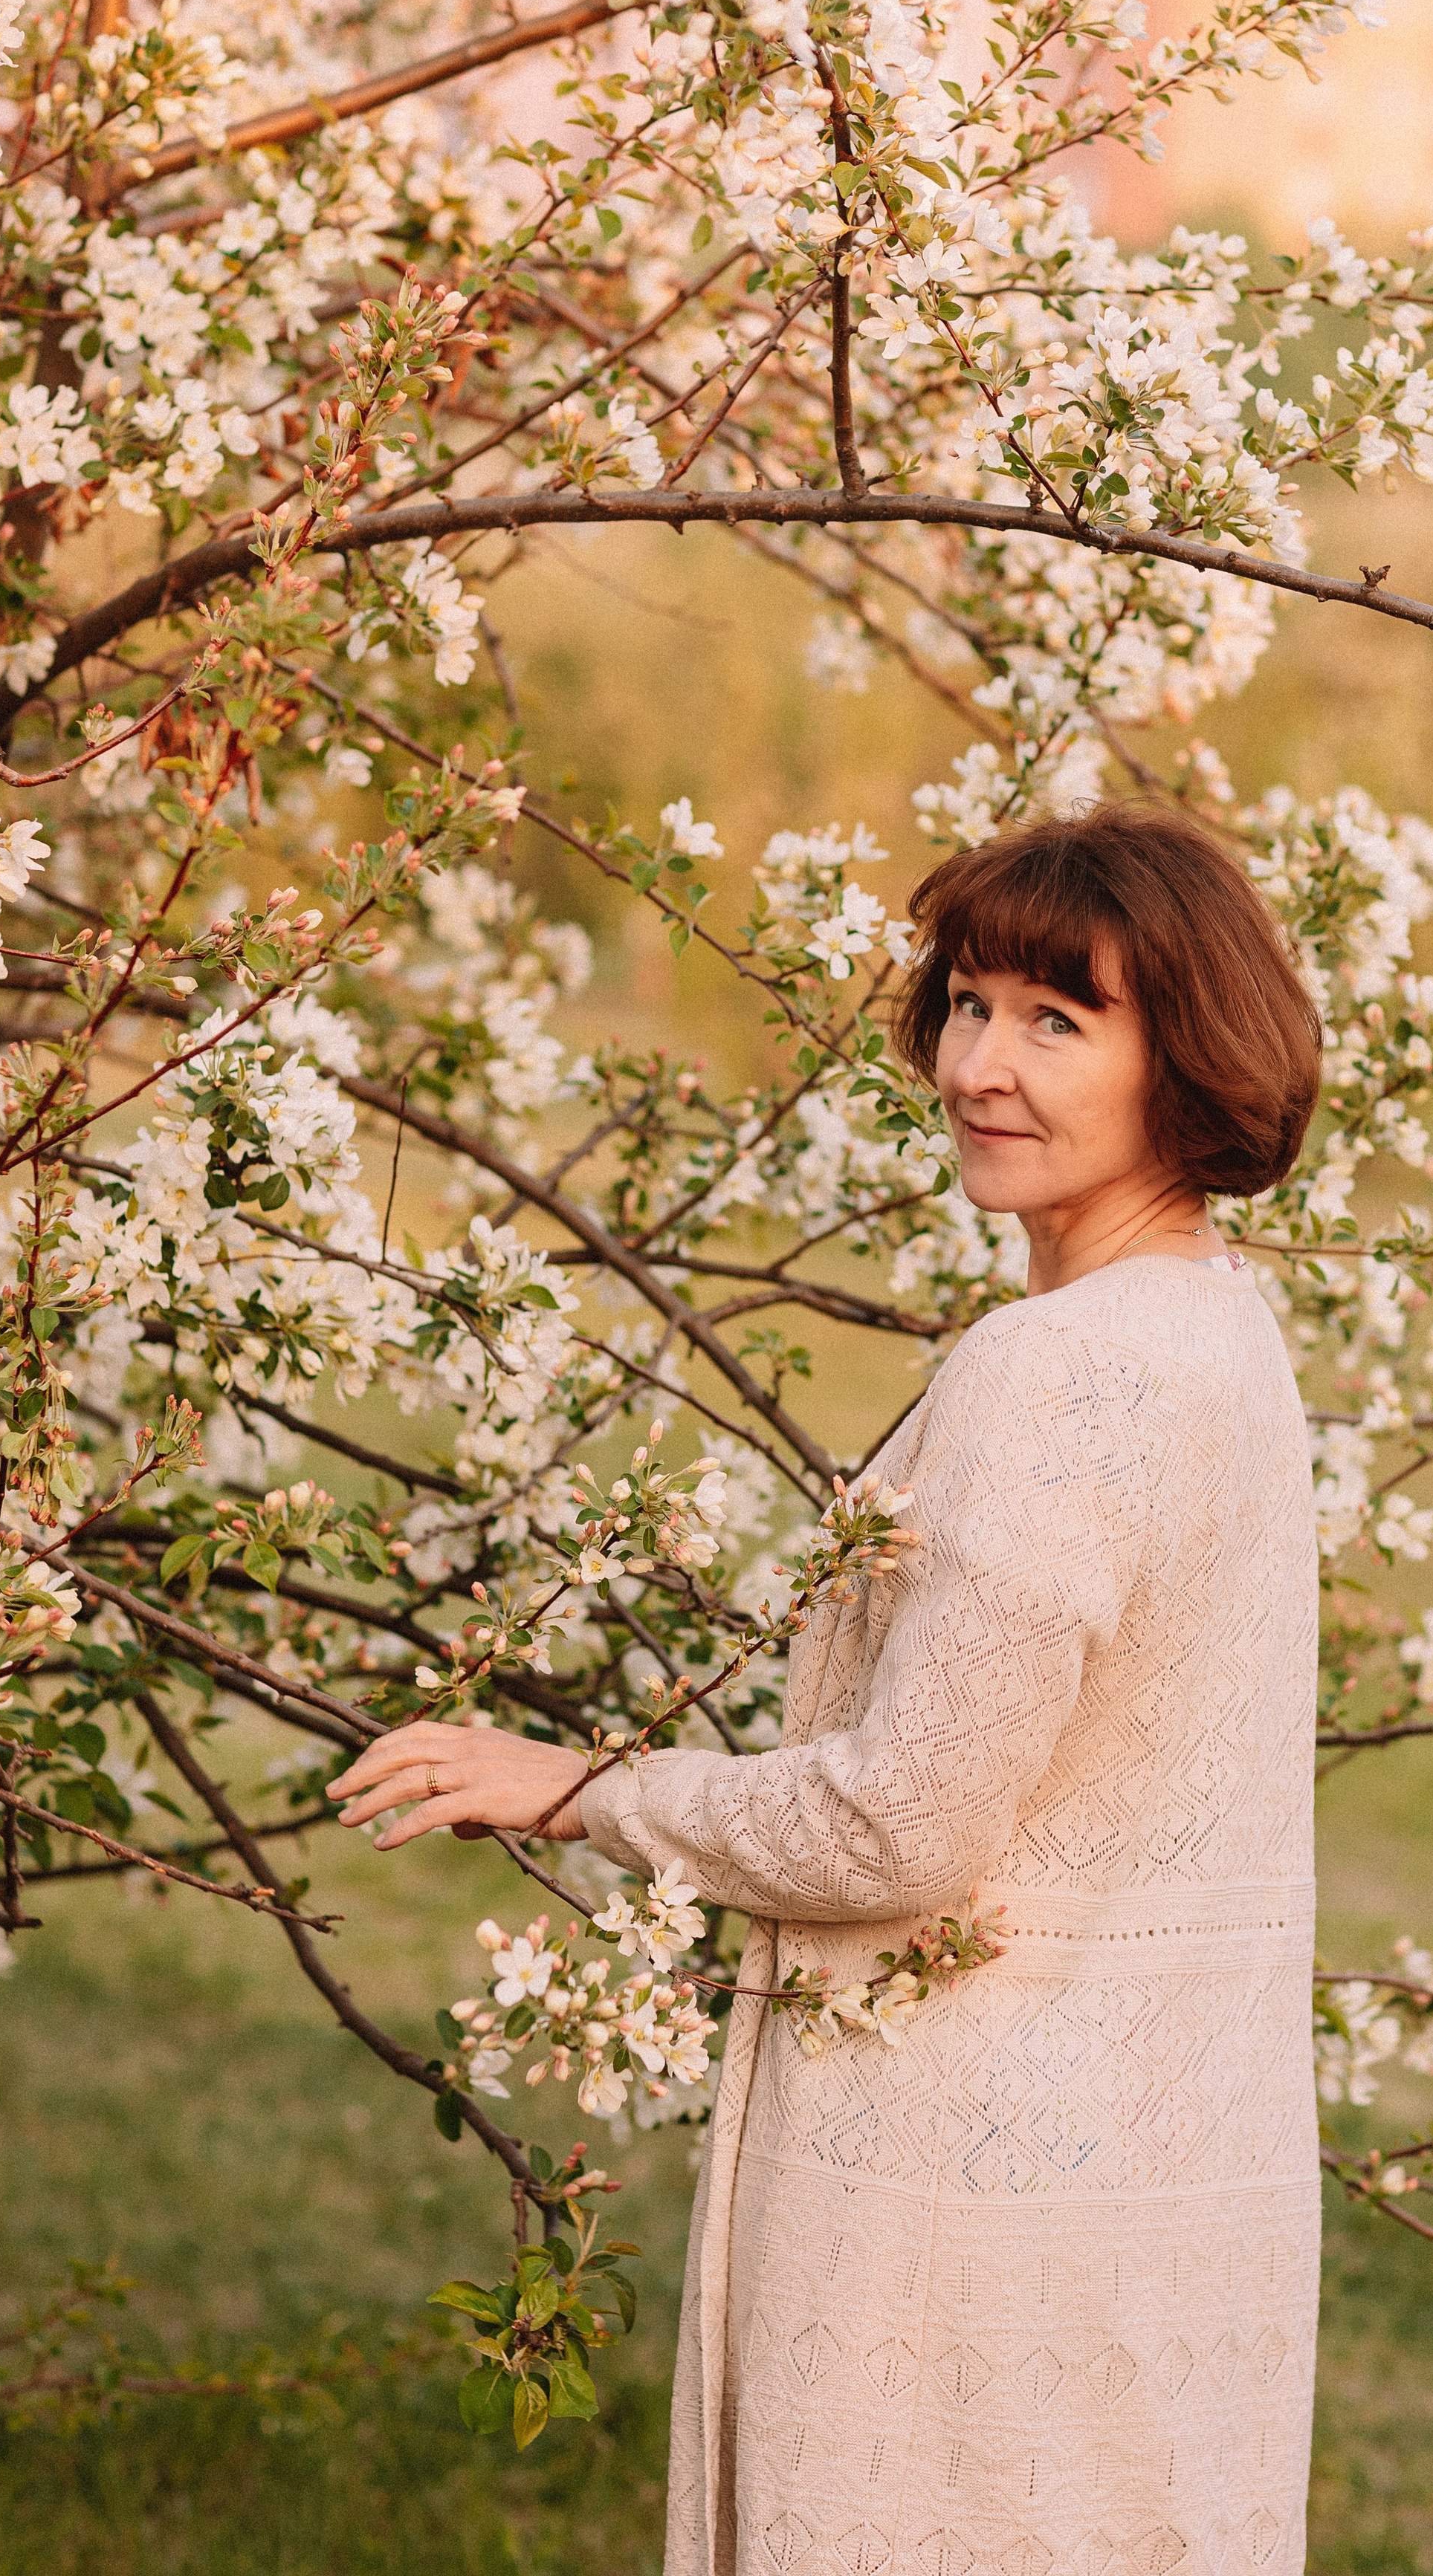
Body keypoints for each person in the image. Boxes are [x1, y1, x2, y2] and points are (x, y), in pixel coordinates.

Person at [332, 801, 1324, 2576]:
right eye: (966, 1002)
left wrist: (574, 1789)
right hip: (1168, 2188)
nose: (976, 1067)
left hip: (973, 2192)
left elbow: (899, 1826)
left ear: (1183, 1059)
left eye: (1055, 1020)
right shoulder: (1220, 1329)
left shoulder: (1063, 1371)